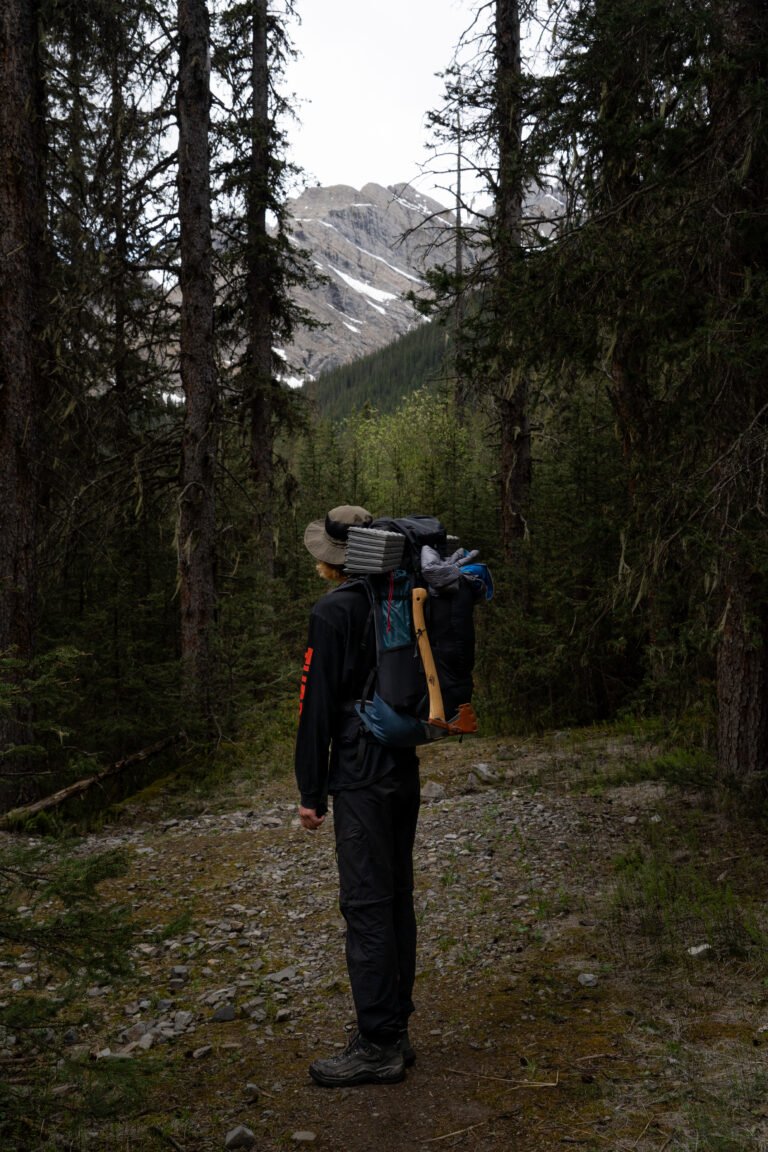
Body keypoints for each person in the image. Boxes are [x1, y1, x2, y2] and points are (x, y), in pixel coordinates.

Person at [295, 504, 420, 1088]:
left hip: (359, 773)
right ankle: (394, 1027)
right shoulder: (399, 600)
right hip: (401, 765)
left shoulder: (332, 611)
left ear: (333, 561)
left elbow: (314, 705)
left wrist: (309, 792)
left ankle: (377, 1045)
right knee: (395, 896)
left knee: (366, 905)